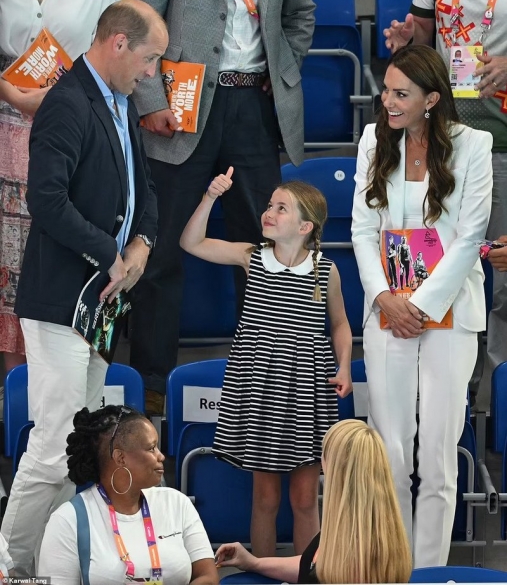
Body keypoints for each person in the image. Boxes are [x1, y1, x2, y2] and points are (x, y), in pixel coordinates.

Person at [1, 0, 163, 575]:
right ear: (118, 43)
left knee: (79, 449)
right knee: (53, 449)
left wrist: (142, 243)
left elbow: (144, 190)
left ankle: (55, 563)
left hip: (101, 301)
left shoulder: (120, 101)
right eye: (149, 58)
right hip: (59, 301)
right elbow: (47, 201)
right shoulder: (67, 102)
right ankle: (10, 566)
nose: (153, 72)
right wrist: (111, 252)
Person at [129, 0, 316, 416]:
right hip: (181, 102)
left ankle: (263, 379)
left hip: (254, 103)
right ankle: (152, 383)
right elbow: (141, 19)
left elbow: (301, 15)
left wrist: (284, 63)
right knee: (160, 247)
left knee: (265, 251)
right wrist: (150, 98)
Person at [351, 45, 493, 568]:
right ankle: (395, 569)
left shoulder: (474, 144)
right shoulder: (373, 139)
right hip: (387, 311)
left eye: (401, 94)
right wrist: (386, 300)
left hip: (450, 313)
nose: (388, 102)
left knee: (437, 456)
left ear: (432, 99)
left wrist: (423, 306)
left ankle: (428, 572)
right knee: (390, 452)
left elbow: (470, 236)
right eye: (386, 91)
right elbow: (362, 230)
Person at [181, 173, 352, 557]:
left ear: (305, 227)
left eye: (281, 208)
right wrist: (209, 197)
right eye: (270, 205)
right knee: (265, 496)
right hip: (262, 390)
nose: (269, 212)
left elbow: (340, 325)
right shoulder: (252, 256)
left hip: (307, 390)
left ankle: (305, 577)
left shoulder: (325, 270)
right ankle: (262, 571)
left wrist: (344, 366)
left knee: (305, 498)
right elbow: (191, 242)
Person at [383, 0, 507, 406]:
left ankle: (496, 399)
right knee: (434, 259)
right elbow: (424, 34)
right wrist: (408, 42)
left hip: (502, 144)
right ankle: (443, 388)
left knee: (503, 278)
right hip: (443, 140)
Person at [0, 0, 120, 375]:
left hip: (74, 115)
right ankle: (15, 386)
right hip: (5, 120)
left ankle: (63, 378)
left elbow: (116, 54)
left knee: (62, 237)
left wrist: (61, 94)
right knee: (8, 258)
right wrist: (11, 94)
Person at [214, 420, 412, 584]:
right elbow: (311, 565)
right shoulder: (376, 535)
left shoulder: (353, 560)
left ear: (335, 469)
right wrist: (254, 563)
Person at [38, 405, 218, 585]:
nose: (161, 456)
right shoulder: (68, 520)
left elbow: (208, 577)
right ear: (120, 458)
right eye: (151, 448)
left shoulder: (177, 503)